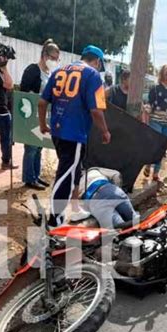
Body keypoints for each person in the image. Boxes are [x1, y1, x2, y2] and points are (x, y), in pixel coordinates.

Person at [39, 45, 111, 226]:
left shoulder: (59, 71)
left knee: (74, 170)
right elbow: (96, 110)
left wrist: (42, 124)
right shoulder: (92, 75)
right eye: (99, 65)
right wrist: (104, 131)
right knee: (65, 176)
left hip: (57, 130)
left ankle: (76, 208)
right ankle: (54, 219)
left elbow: (41, 102)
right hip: (75, 133)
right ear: (97, 61)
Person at [20, 39, 60, 190]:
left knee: (39, 146)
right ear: (44, 56)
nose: (55, 62)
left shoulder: (51, 74)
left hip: (44, 115)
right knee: (30, 147)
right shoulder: (32, 70)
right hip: (31, 115)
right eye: (53, 58)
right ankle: (29, 178)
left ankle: (36, 175)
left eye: (57, 59)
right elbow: (24, 93)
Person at [142, 65, 167, 181]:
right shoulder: (155, 89)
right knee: (155, 146)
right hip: (156, 122)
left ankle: (156, 174)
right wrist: (145, 112)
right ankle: (148, 164)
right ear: (164, 75)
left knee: (162, 148)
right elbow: (150, 104)